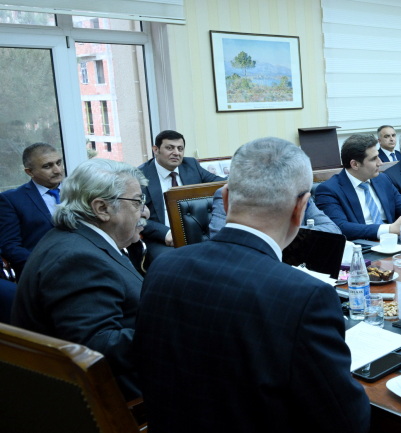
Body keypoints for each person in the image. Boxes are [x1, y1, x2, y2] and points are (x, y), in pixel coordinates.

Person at [133, 137, 371, 433]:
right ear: (301, 208)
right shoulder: (303, 297)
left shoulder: (162, 268)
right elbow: (348, 429)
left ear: (226, 199)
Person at [11, 158, 149, 399]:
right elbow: (97, 348)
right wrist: (171, 329)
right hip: (117, 403)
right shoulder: (78, 259)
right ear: (102, 209)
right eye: (137, 202)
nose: (145, 211)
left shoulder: (77, 239)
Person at [316, 134, 401, 241]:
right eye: (374, 159)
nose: (380, 162)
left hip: (394, 243)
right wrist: (389, 229)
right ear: (355, 164)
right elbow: (340, 227)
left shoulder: (382, 179)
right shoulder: (329, 190)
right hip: (363, 247)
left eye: (378, 156)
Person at [139, 130, 224, 264]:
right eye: (169, 148)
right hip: (162, 239)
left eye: (180, 149)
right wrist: (164, 233)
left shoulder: (191, 165)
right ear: (156, 150)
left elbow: (221, 184)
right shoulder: (141, 175)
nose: (176, 153)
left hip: (198, 234)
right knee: (174, 263)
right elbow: (135, 216)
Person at [0, 143, 63, 275]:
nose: (57, 170)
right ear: (29, 172)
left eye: (58, 163)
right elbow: (10, 246)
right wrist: (44, 267)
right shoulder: (12, 200)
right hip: (41, 272)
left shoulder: (79, 191)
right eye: (47, 166)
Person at [208, 186, 340, 236]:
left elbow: (333, 230)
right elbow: (218, 237)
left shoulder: (298, 191)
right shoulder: (231, 194)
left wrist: (290, 232)